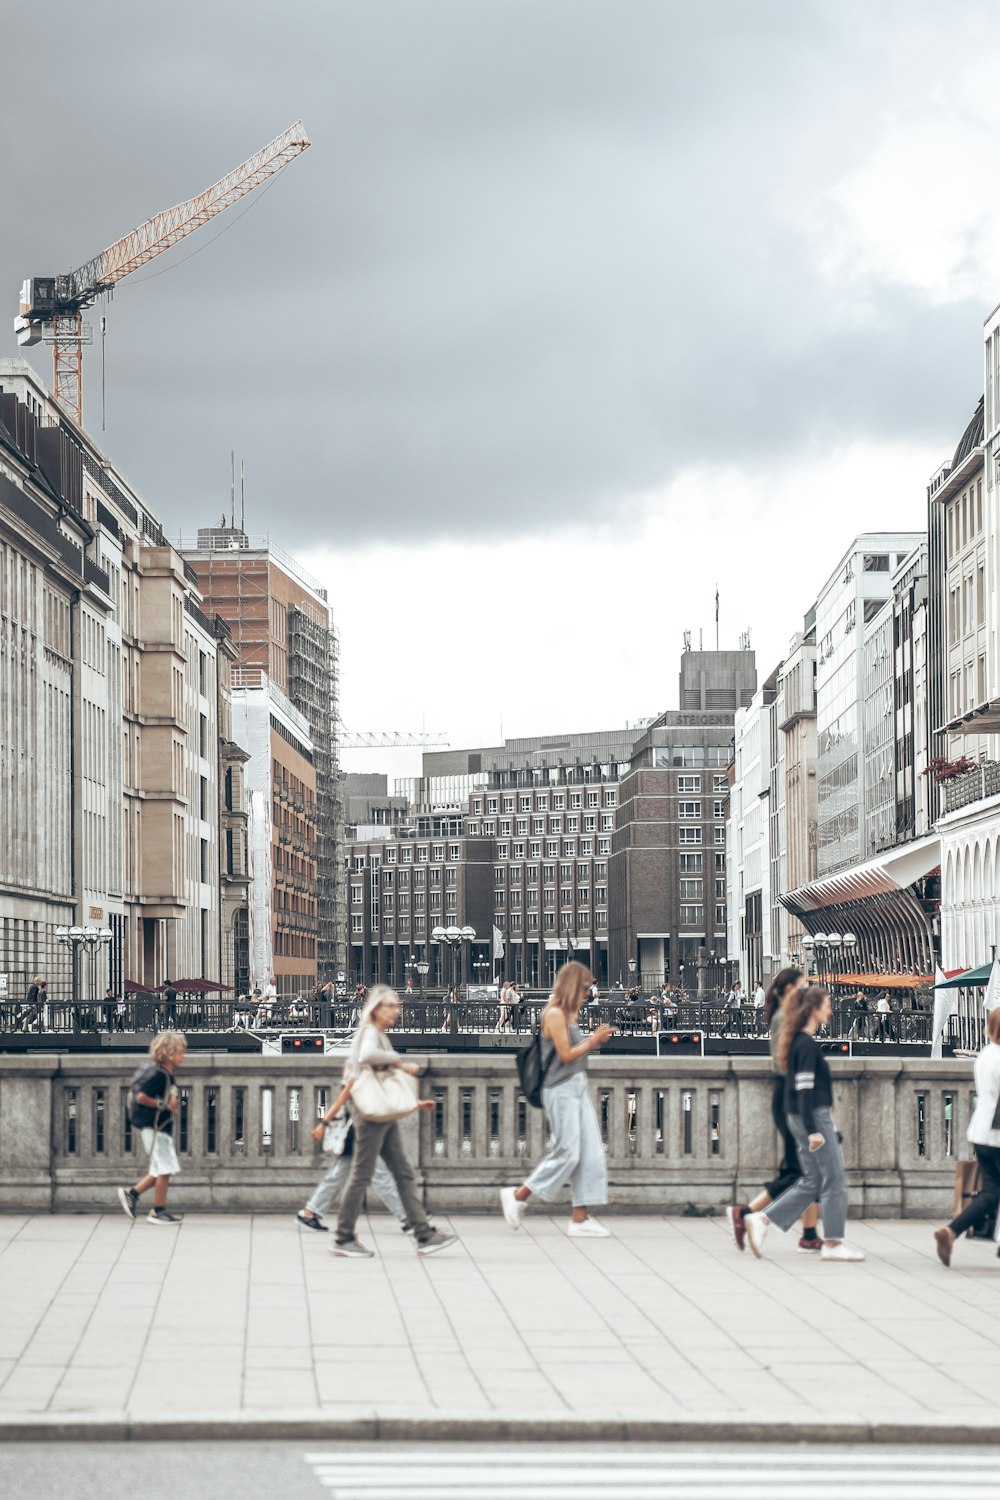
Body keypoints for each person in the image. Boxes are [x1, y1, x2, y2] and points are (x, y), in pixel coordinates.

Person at [743, 984, 864, 1262]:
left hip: (797, 1114)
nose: (831, 1010)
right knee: (834, 1181)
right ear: (813, 1010)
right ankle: (833, 1243)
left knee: (812, 1180)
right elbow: (806, 1086)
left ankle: (762, 1220)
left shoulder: (794, 1040)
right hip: (814, 1117)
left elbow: (796, 1087)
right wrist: (813, 1130)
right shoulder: (807, 1045)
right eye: (827, 1005)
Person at [333, 986, 457, 1258]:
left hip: (381, 1112)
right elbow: (367, 1057)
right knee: (362, 1174)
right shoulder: (370, 1032)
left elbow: (379, 1073)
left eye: (396, 1006)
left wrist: (405, 1084)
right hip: (370, 1115)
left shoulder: (378, 1035)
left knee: (403, 1172)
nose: (396, 1011)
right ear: (376, 1008)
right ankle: (343, 1237)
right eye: (391, 1005)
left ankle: (423, 1233)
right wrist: (398, 1061)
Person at [500, 962, 614, 1238]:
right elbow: (565, 1054)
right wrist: (592, 1041)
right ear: (572, 985)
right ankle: (518, 1195)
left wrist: (590, 1041)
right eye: (585, 987)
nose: (588, 992)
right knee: (568, 1151)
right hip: (559, 1089)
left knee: (590, 1152)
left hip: (576, 1085)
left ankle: (580, 1217)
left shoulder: (569, 1013)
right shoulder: (554, 1014)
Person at [725, 969, 821, 1254]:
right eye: (802, 986)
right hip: (790, 1096)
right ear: (791, 987)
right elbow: (788, 1063)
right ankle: (747, 1214)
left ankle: (809, 1232)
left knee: (803, 1168)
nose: (805, 991)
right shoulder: (785, 1019)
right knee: (803, 1170)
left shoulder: (783, 1016)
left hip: (788, 1094)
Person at [297, 1076, 414, 1235]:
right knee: (378, 1175)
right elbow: (343, 1097)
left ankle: (310, 1212)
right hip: (361, 1132)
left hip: (362, 1131)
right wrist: (323, 1125)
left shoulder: (372, 1070)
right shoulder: (362, 1072)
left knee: (338, 1174)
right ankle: (408, 1218)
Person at [933, 1006, 1000, 1267]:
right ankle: (952, 1230)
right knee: (992, 1192)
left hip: (980, 1131)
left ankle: (952, 1232)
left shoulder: (985, 1054)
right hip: (997, 1132)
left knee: (992, 1189)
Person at [117, 1030, 187, 1225]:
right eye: (181, 1052)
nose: (184, 1056)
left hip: (157, 1127)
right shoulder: (159, 1075)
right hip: (155, 1128)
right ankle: (158, 1210)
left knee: (159, 1168)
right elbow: (141, 1097)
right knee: (165, 1168)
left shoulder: (164, 1075)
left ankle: (132, 1194)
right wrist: (163, 1106)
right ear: (170, 1054)